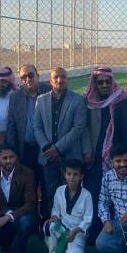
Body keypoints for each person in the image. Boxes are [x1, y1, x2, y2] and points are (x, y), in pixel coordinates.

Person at [33, 67, 88, 219]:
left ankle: (72, 225)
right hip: (48, 157)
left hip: (69, 156)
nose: (60, 80)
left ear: (67, 79)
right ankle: (52, 226)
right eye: (56, 77)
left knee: (71, 193)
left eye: (63, 77)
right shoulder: (41, 100)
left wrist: (57, 148)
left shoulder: (77, 100)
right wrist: (47, 147)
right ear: (50, 80)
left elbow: (78, 128)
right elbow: (37, 127)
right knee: (51, 193)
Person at [81, 67, 127, 207]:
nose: (105, 85)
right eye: (100, 82)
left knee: (114, 192)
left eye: (108, 81)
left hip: (115, 154)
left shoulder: (121, 98)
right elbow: (84, 128)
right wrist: (87, 150)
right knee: (93, 191)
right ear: (95, 84)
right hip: (94, 154)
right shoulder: (88, 101)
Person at [6, 63, 50, 192]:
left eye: (30, 75)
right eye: (23, 77)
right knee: (29, 187)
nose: (27, 79)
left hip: (46, 149)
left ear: (38, 75)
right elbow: (11, 125)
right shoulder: (15, 97)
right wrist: (13, 151)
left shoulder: (49, 92)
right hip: (26, 150)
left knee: (47, 186)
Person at [44, 159, 93, 253]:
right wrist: (54, 217)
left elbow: (88, 219)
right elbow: (56, 209)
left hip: (77, 232)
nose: (72, 177)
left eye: (75, 174)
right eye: (69, 174)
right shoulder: (59, 190)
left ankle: (69, 249)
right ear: (65, 175)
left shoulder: (86, 195)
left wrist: (75, 231)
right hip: (63, 229)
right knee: (49, 225)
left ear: (81, 176)